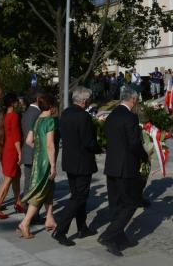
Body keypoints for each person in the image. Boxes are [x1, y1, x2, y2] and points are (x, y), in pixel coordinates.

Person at [98, 86, 148, 256]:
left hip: (111, 166)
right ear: (133, 99)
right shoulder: (130, 117)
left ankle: (119, 237)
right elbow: (134, 143)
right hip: (126, 167)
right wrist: (144, 156)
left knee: (116, 204)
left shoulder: (112, 115)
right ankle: (108, 235)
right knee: (131, 203)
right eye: (137, 100)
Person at [52, 87, 101, 246]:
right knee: (78, 197)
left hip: (70, 161)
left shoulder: (65, 113)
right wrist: (100, 148)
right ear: (84, 101)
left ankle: (82, 227)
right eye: (88, 100)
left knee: (79, 196)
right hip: (82, 162)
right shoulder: (83, 116)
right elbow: (88, 142)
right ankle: (60, 230)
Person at [17, 93, 58, 239]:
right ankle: (25, 223)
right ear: (52, 107)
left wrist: (38, 149)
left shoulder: (38, 120)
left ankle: (49, 218)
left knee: (47, 189)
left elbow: (28, 140)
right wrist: (53, 165)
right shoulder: (49, 121)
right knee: (40, 192)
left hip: (37, 159)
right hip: (45, 161)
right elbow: (50, 145)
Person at [0, 93, 25, 219]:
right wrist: (20, 152)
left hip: (6, 149)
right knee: (8, 179)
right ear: (13, 103)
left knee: (16, 176)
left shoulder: (4, 115)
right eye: (17, 101)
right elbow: (15, 137)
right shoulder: (14, 116)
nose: (19, 103)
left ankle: (18, 202)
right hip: (12, 150)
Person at [20, 92, 42, 206]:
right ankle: (32, 212)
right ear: (37, 98)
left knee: (28, 181)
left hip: (27, 151)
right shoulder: (38, 113)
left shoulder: (27, 112)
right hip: (34, 151)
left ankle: (24, 204)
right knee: (35, 184)